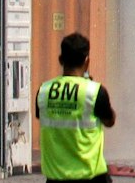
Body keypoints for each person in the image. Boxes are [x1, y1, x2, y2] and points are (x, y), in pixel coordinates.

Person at [36, 32, 116, 183]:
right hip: (91, 177)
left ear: (61, 60)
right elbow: (109, 121)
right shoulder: (94, 91)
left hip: (55, 178)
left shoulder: (44, 91)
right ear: (87, 62)